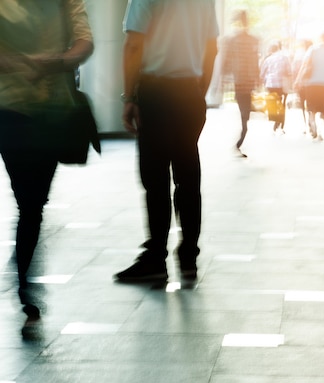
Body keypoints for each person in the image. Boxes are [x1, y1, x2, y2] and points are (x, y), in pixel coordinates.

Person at [0, 0, 94, 332]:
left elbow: (85, 41)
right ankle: (25, 277)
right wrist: (12, 62)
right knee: (28, 201)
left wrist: (54, 62)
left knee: (33, 203)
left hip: (53, 111)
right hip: (9, 108)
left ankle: (24, 268)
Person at [115, 0, 218, 283]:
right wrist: (200, 90)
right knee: (188, 176)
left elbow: (134, 44)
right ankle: (188, 258)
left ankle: (155, 259)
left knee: (155, 179)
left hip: (156, 93)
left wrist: (129, 98)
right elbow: (212, 48)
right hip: (190, 94)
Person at [221, 9, 259, 157]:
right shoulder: (250, 40)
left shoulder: (233, 40)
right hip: (245, 83)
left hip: (242, 82)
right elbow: (254, 62)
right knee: (245, 115)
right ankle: (239, 143)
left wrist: (223, 79)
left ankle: (239, 142)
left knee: (245, 114)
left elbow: (227, 61)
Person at [294, 32, 324, 141]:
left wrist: (298, 80)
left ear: (320, 38)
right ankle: (320, 132)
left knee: (311, 108)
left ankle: (313, 125)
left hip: (312, 84)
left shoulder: (312, 50)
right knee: (323, 109)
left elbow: (304, 65)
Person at [261, 41, 291, 134]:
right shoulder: (285, 58)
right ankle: (281, 124)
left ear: (271, 50)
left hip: (271, 84)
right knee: (282, 104)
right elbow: (289, 72)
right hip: (282, 84)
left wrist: (263, 82)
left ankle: (275, 120)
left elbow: (262, 74)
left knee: (272, 103)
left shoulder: (268, 59)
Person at [291, 38, 313, 134]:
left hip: (301, 84)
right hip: (311, 84)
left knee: (303, 105)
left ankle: (305, 124)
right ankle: (310, 122)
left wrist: (295, 82)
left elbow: (294, 70)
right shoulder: (314, 56)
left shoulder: (299, 57)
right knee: (310, 104)